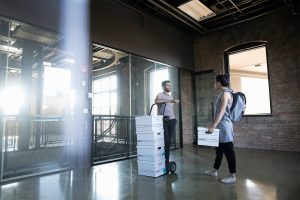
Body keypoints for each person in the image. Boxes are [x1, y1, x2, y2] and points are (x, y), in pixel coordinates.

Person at [204, 74, 237, 184]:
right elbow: (218, 112)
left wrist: (213, 126)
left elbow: (222, 112)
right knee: (219, 151)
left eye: (215, 82)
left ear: (219, 83)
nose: (214, 84)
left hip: (225, 127)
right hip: (220, 126)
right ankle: (214, 170)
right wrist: (212, 124)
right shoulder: (224, 93)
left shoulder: (226, 94)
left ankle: (233, 176)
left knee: (229, 152)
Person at [155, 80, 179, 174]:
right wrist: (170, 101)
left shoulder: (170, 96)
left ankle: (166, 160)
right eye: (168, 85)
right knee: (166, 141)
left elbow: (170, 109)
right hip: (164, 121)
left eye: (170, 85)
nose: (169, 87)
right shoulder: (160, 94)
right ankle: (164, 161)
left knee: (169, 142)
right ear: (163, 86)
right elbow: (156, 101)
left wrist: (174, 118)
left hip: (172, 120)